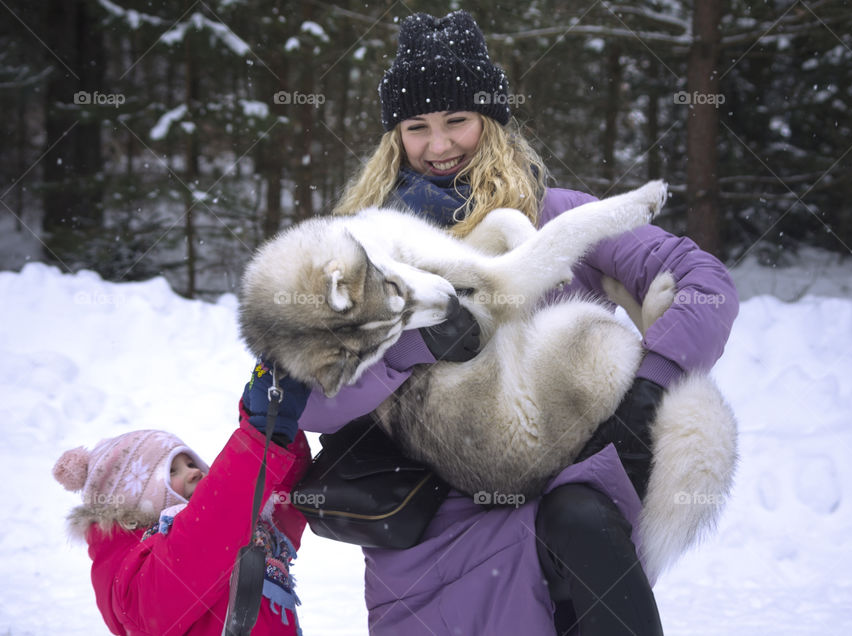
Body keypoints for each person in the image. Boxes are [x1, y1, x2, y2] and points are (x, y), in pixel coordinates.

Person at [252, 10, 737, 635]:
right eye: (416, 127)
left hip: (563, 489)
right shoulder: (356, 248)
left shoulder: (552, 213)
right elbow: (304, 400)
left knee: (581, 522)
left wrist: (653, 384)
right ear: (393, 137)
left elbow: (705, 286)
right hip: (424, 524)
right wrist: (408, 348)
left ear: (491, 121)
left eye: (457, 119)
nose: (439, 145)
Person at [52, 367, 312, 636]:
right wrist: (258, 436)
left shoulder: (250, 532)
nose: (195, 471)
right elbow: (205, 533)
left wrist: (276, 428)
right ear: (131, 499)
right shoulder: (133, 580)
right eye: (171, 471)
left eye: (190, 462)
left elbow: (282, 494)